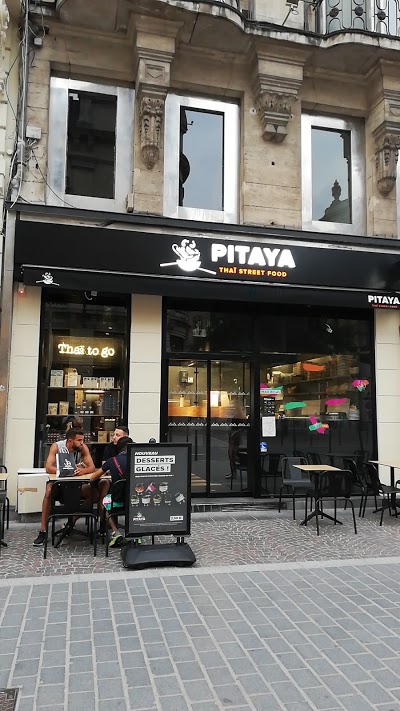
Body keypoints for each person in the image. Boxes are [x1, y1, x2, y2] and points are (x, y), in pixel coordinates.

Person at [33, 428, 95, 546]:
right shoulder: (57, 447)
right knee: (48, 491)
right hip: (59, 482)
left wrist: (83, 471)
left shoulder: (83, 448)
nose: (82, 443)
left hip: (76, 483)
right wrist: (67, 470)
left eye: (82, 440)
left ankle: (72, 521)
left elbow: (91, 467)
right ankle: (43, 530)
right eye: (79, 440)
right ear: (70, 441)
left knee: (93, 493)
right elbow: (48, 468)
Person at [91, 435, 133, 547]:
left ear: (118, 448)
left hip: (117, 500)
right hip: (134, 500)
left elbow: (93, 478)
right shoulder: (136, 459)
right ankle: (136, 533)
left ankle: (115, 532)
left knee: (104, 502)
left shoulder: (112, 460)